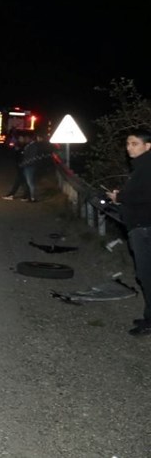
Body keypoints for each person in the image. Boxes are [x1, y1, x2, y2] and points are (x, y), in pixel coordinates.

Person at [106, 128, 151, 337]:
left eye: (134, 144)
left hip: (144, 228)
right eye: (127, 144)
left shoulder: (146, 167)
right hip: (140, 226)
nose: (129, 148)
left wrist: (119, 197)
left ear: (147, 146)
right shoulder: (141, 166)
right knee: (145, 275)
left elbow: (141, 195)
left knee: (146, 275)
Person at [2, 131, 52, 202]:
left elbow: (31, 157)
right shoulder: (28, 145)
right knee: (23, 181)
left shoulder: (33, 146)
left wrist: (23, 164)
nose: (24, 139)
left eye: (25, 138)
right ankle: (25, 196)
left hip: (28, 166)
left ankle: (31, 197)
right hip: (25, 166)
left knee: (29, 182)